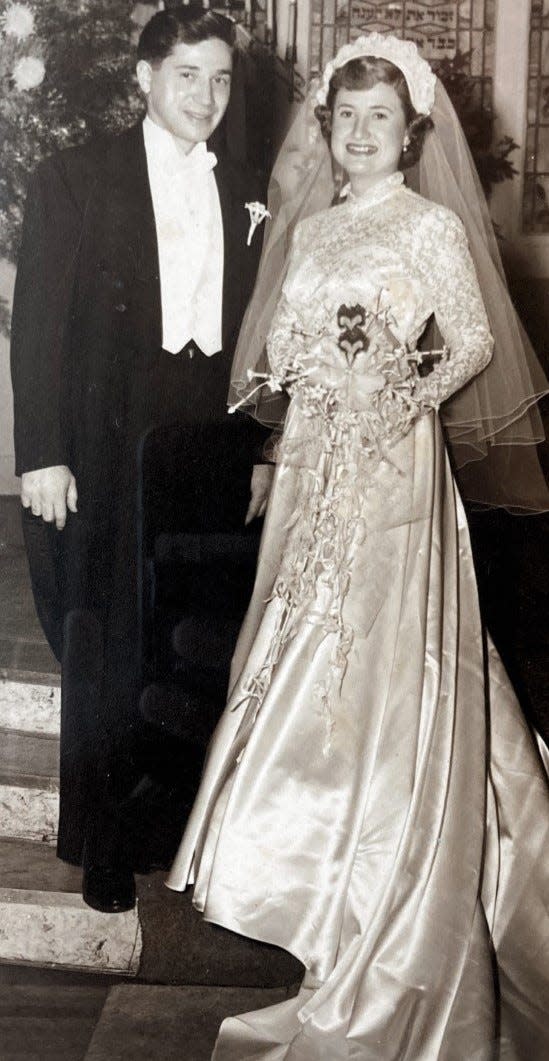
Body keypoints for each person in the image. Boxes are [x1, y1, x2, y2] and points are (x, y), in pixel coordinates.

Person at [167, 34, 549, 1059]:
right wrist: (296, 387)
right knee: (306, 678)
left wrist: (399, 394)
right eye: (349, 117)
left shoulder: (429, 227)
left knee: (382, 676)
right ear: (328, 132)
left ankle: (393, 927)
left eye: (383, 117)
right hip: (313, 470)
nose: (364, 133)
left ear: (411, 132)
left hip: (391, 472)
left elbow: (467, 340)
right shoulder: (317, 230)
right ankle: (328, 920)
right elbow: (286, 348)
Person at [10, 5, 272, 914]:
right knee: (104, 635)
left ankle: (174, 831)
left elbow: (262, 336)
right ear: (143, 77)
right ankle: (104, 840)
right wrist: (39, 453)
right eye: (187, 74)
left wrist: (263, 448)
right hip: (106, 435)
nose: (205, 95)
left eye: (220, 78)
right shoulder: (75, 178)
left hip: (206, 436)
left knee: (188, 634)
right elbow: (36, 322)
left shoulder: (245, 186)